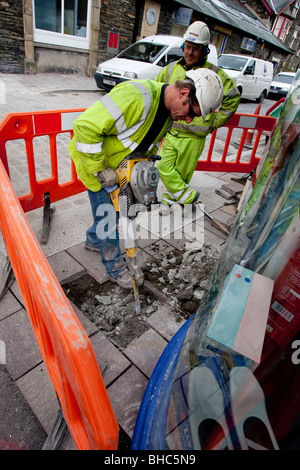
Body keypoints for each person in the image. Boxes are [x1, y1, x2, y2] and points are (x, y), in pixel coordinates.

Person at [68, 70, 223, 288]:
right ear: (184, 93)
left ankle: (94, 240)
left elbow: (144, 142)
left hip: (122, 168)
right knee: (108, 216)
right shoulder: (136, 98)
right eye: (191, 112)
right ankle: (114, 266)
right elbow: (84, 128)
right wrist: (101, 169)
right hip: (97, 165)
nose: (188, 120)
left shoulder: (168, 114)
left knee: (119, 210)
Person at [155, 21, 241, 207]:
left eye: (195, 48)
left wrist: (214, 121)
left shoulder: (213, 74)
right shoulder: (171, 69)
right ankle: (187, 196)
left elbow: (232, 97)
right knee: (163, 166)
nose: (189, 52)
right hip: (171, 132)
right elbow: (157, 91)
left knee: (182, 174)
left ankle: (174, 199)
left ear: (204, 50)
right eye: (187, 47)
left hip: (193, 137)